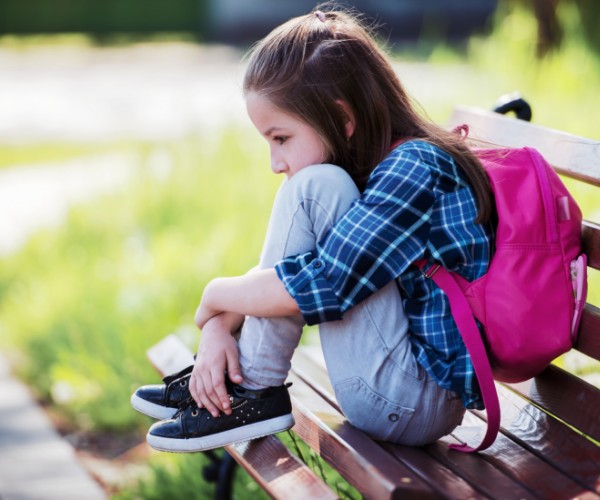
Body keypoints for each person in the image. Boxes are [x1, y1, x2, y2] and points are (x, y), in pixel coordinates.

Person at [131, 8, 495, 453]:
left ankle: (255, 391)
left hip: (414, 400)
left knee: (312, 188)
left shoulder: (413, 168)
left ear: (343, 121)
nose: (274, 162)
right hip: (403, 388)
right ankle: (245, 385)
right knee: (319, 188)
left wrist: (215, 295)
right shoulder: (382, 163)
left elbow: (324, 283)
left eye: (280, 138)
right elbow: (300, 271)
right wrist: (218, 325)